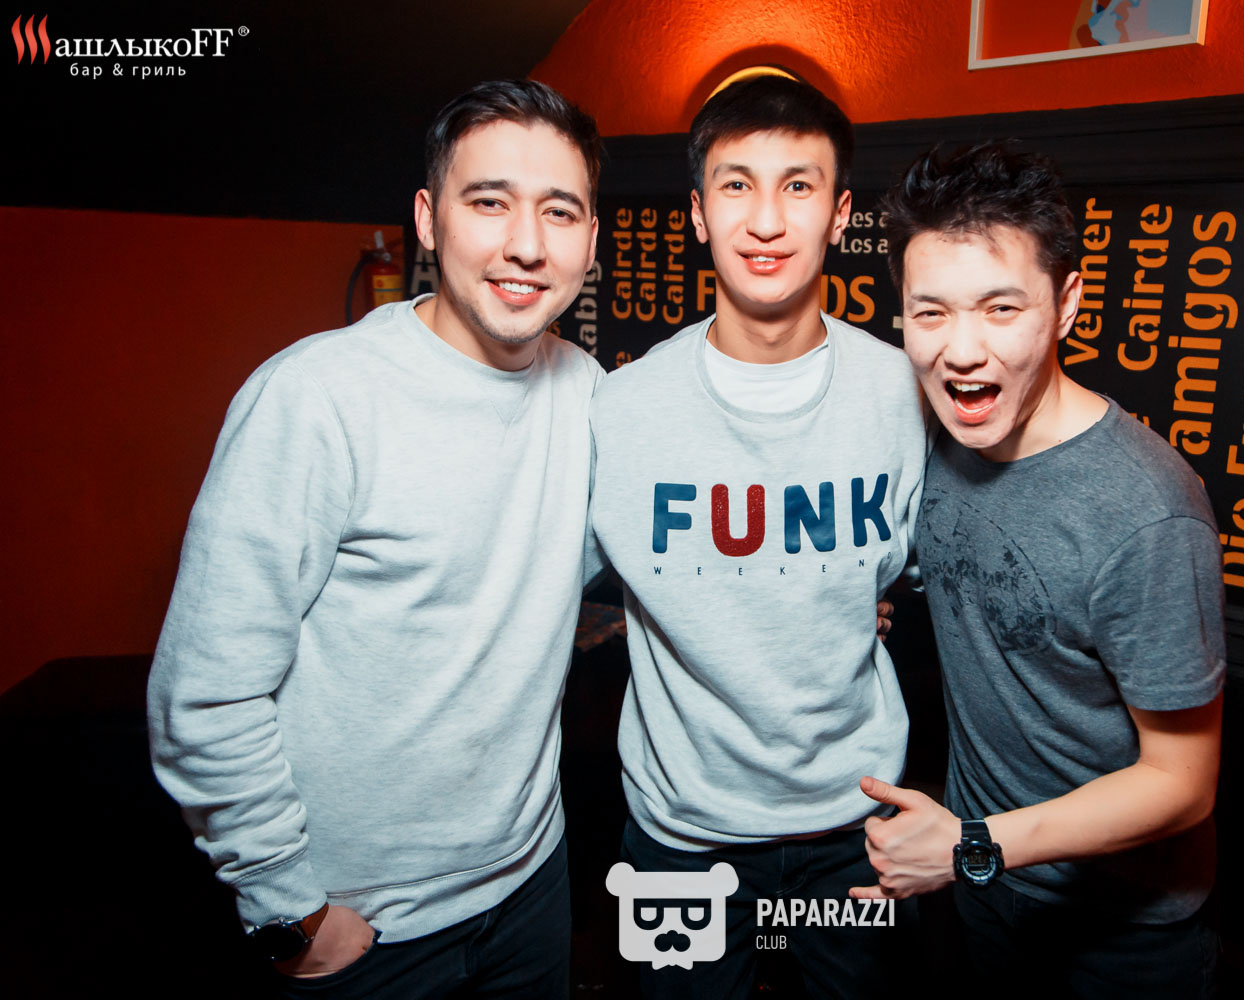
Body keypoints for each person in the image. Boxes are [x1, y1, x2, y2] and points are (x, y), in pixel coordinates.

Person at [147, 79, 604, 998]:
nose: (526, 243)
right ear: (428, 221)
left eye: (559, 211)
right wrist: (288, 911)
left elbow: (653, 551)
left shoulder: (588, 393)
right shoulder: (318, 399)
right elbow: (204, 694)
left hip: (531, 887)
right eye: (490, 203)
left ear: (590, 239)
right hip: (361, 924)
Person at [852, 142, 1224, 997]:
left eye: (1000, 308)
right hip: (986, 892)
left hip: (1120, 935)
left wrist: (970, 845)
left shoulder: (1147, 513)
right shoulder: (939, 436)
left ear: (1067, 304)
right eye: (931, 313)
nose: (962, 350)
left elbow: (1183, 784)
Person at [586, 74, 927, 998]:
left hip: (856, 832)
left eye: (798, 185)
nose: (767, 220)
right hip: (682, 842)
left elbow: (920, 566)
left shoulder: (904, 390)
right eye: (736, 185)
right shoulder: (619, 408)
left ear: (839, 213)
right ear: (698, 213)